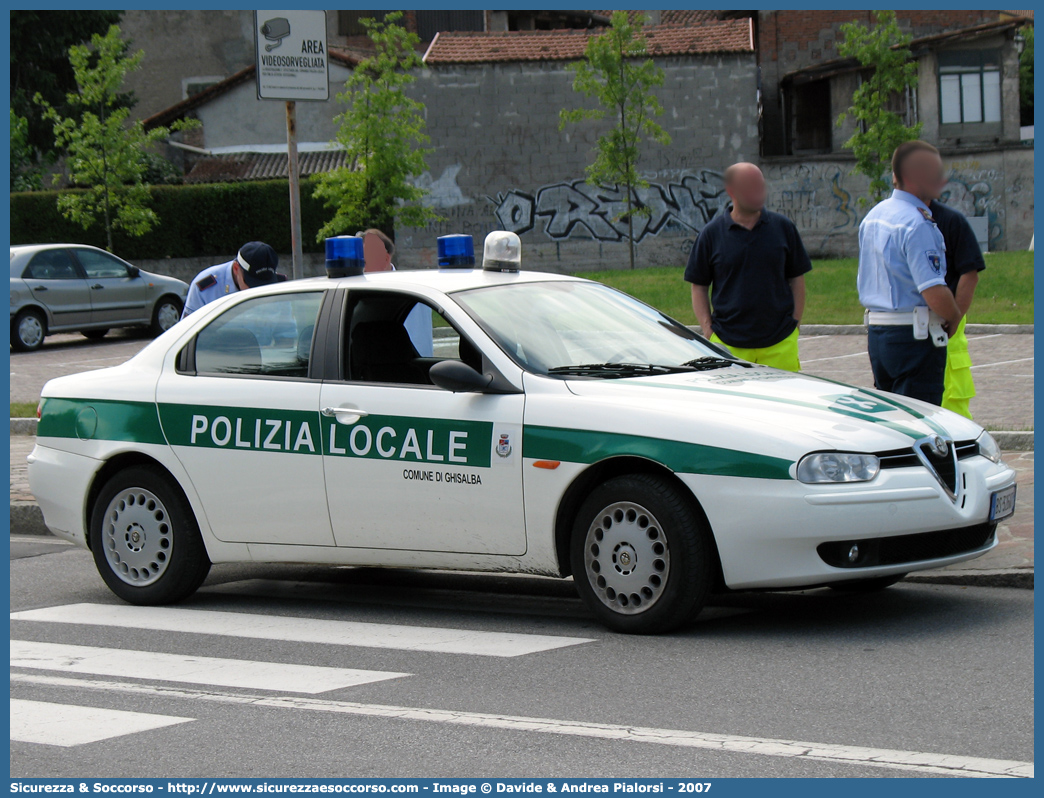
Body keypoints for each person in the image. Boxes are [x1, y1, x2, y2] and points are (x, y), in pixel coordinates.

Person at [857, 141, 963, 406]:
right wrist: (954, 315)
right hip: (913, 338)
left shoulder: (874, 215)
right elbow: (933, 291)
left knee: (893, 423)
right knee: (919, 426)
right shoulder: (917, 223)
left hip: (880, 332)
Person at [684, 162, 812, 372]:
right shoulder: (711, 234)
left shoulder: (783, 228)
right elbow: (698, 285)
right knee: (734, 405)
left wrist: (794, 325)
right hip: (728, 344)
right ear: (732, 191)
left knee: (784, 403)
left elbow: (797, 278)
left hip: (780, 342)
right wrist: (708, 330)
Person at [928, 197, 986, 419]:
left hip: (943, 323)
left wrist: (953, 317)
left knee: (952, 411)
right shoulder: (894, 219)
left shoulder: (949, 221)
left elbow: (970, 273)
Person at [359, 229, 434, 356]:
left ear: (385, 258)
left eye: (364, 262)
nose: (361, 268)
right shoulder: (419, 287)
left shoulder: (401, 291)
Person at [181, 241, 285, 319]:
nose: (258, 292)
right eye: (253, 284)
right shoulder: (205, 288)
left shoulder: (279, 287)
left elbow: (286, 332)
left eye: (265, 286)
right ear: (236, 268)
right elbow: (187, 334)